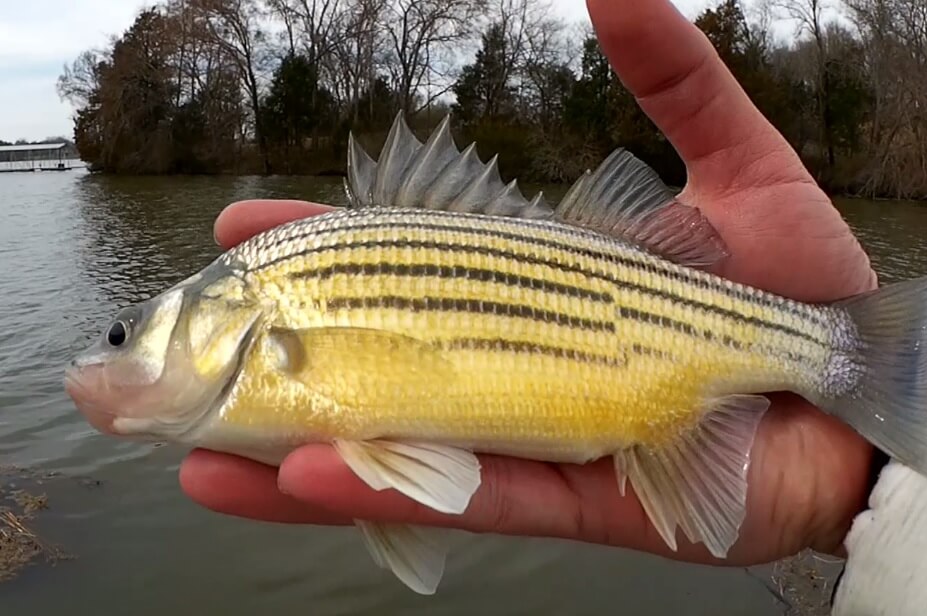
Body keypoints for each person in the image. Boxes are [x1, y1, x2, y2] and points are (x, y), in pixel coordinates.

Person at [179, 0, 882, 569]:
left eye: (123, 336)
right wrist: (869, 488)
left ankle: (848, 353)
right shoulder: (269, 287)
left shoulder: (271, 293)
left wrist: (866, 473)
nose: (107, 357)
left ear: (222, 315)